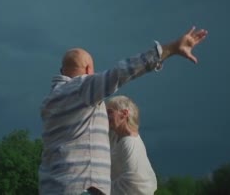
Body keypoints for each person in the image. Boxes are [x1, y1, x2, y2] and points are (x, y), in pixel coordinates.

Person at [38, 26, 208, 195]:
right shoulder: (82, 88)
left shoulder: (49, 102)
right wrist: (171, 48)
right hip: (80, 189)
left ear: (62, 71)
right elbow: (120, 73)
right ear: (89, 70)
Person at [106, 95, 157, 194]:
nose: (106, 117)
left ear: (124, 114)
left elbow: (135, 183)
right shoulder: (116, 136)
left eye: (110, 112)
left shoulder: (130, 142)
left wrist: (101, 191)